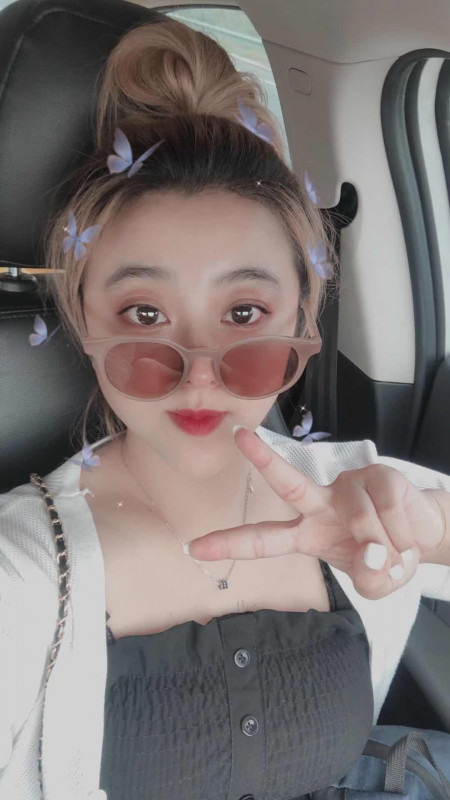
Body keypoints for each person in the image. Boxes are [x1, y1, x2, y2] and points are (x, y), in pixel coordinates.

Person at [1, 16, 449, 800]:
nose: (200, 375)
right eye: (144, 315)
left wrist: (431, 531)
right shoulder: (26, 570)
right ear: (84, 325)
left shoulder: (358, 494)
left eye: (244, 314)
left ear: (303, 321)